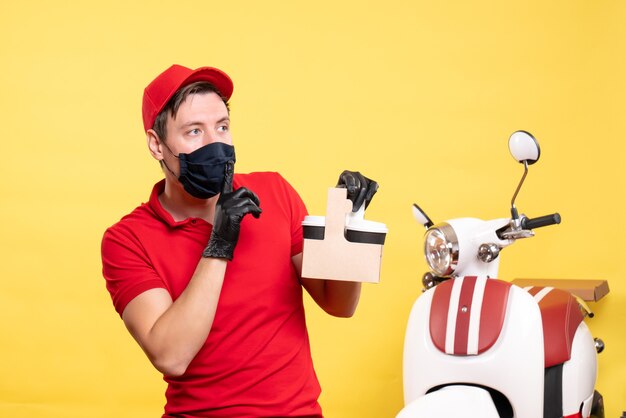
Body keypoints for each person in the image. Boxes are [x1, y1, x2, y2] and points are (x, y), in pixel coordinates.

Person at [101, 64, 379, 418]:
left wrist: (347, 224)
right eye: (194, 132)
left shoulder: (275, 192)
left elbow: (339, 304)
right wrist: (220, 242)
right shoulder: (127, 240)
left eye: (222, 127)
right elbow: (171, 356)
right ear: (157, 145)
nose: (214, 143)